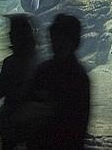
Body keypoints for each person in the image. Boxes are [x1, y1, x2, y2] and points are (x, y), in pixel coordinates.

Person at [23, 13, 91, 150]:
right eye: (54, 39)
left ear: (73, 42)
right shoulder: (79, 75)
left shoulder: (77, 77)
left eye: (61, 39)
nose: (56, 43)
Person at [0, 13, 38, 150]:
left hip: (12, 123)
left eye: (11, 31)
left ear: (16, 35)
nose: (9, 34)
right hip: (34, 125)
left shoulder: (12, 62)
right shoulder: (38, 59)